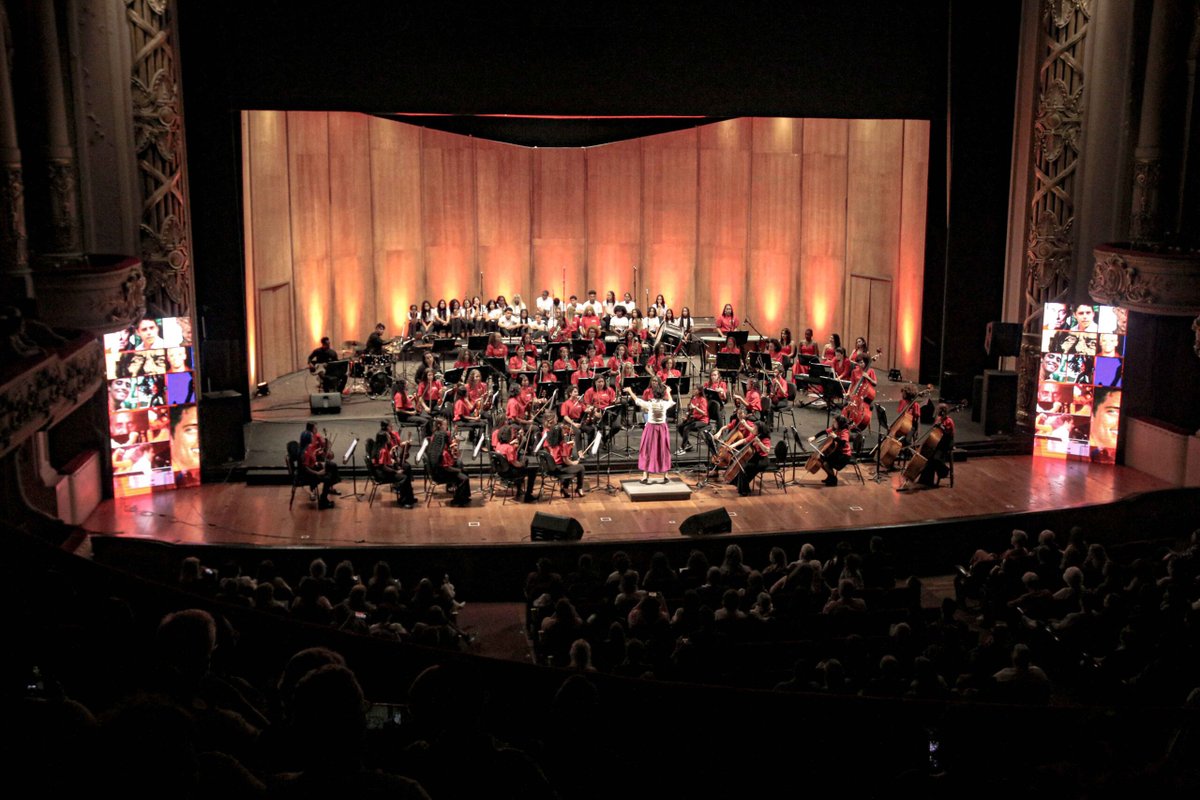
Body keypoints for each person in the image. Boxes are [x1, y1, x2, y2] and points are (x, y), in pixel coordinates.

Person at [625, 382, 674, 484]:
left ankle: (645, 476)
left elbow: (637, 400)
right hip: (662, 429)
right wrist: (668, 391)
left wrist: (630, 391)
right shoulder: (665, 404)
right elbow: (671, 401)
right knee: (663, 450)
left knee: (647, 450)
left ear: (653, 394)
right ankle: (666, 475)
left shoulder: (650, 404)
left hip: (651, 429)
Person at [426, 417, 471, 506]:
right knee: (463, 478)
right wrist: (458, 470)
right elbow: (447, 468)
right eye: (445, 425)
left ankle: (465, 496)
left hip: (441, 471)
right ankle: (457, 500)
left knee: (464, 471)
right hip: (441, 475)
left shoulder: (437, 446)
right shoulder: (443, 454)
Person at [372, 423, 416, 508]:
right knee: (404, 477)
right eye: (388, 437)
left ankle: (409, 498)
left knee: (405, 470)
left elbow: (386, 463)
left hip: (383, 471)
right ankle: (405, 501)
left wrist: (394, 462)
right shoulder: (383, 450)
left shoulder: (380, 447)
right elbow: (383, 467)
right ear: (385, 439)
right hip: (382, 474)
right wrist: (396, 471)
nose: (390, 437)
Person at [494, 423, 538, 502]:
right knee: (532, 471)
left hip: (500, 471)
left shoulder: (498, 445)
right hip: (509, 473)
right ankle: (528, 495)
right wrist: (522, 464)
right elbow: (515, 464)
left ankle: (519, 490)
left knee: (522, 463)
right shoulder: (509, 448)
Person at [809, 414, 852, 486]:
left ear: (839, 423)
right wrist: (814, 437)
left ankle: (833, 479)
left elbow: (843, 443)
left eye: (835, 422)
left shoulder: (845, 431)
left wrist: (835, 437)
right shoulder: (835, 429)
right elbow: (824, 431)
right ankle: (830, 476)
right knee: (822, 459)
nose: (833, 424)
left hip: (844, 455)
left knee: (826, 463)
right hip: (837, 452)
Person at [302, 431, 340, 508]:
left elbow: (312, 462)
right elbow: (306, 467)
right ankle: (323, 500)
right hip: (310, 475)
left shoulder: (307, 449)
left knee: (331, 467)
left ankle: (324, 498)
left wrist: (318, 463)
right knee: (329, 475)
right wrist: (317, 473)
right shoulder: (305, 452)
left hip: (313, 469)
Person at [735, 428, 773, 497]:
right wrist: (733, 445)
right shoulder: (754, 435)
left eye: (755, 427)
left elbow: (767, 451)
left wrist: (759, 442)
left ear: (759, 430)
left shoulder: (766, 439)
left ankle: (744, 491)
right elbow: (744, 440)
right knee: (743, 467)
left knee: (745, 469)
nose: (753, 428)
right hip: (756, 458)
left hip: (763, 460)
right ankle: (743, 488)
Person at [676, 386, 709, 455]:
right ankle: (688, 444)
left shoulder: (703, 400)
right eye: (693, 389)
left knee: (686, 428)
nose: (693, 390)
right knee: (680, 427)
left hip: (703, 421)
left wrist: (695, 408)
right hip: (694, 419)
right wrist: (686, 417)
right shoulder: (694, 399)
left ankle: (683, 448)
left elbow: (704, 413)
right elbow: (690, 411)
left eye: (695, 389)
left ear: (699, 391)